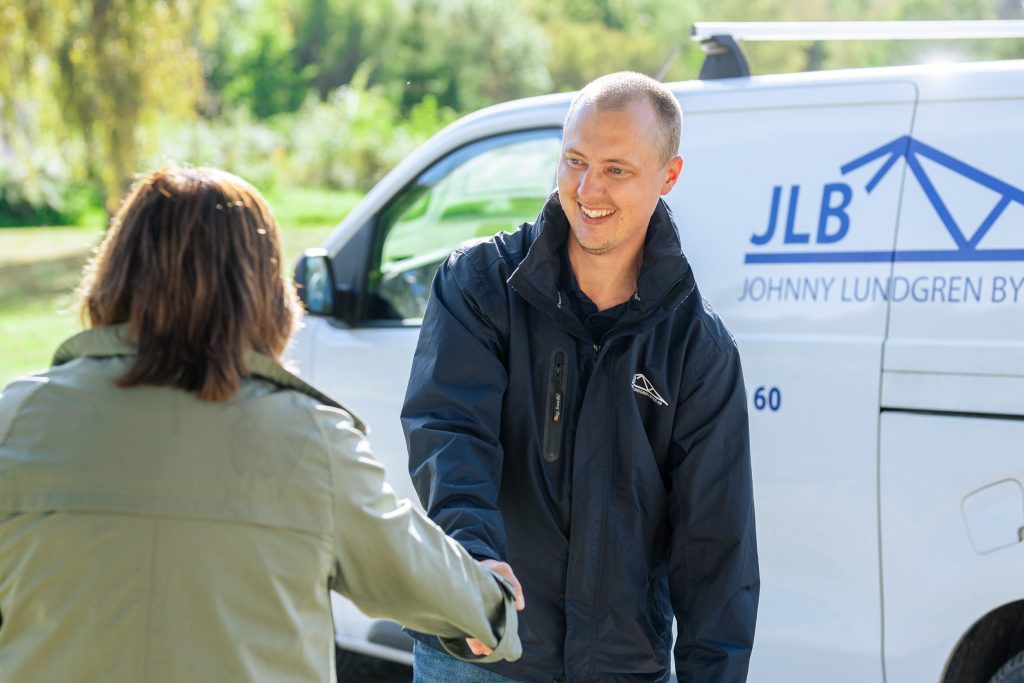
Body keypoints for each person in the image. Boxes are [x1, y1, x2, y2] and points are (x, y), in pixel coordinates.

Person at [0, 166, 521, 682]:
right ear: (264, 290)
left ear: (112, 272)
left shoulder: (17, 418)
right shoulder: (310, 440)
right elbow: (431, 584)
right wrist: (490, 605)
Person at [403, 72, 759, 682]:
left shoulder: (698, 349)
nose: (587, 189)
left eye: (617, 170)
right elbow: (451, 433)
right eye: (574, 160)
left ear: (668, 176)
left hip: (625, 669)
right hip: (483, 652)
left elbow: (716, 548)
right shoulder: (479, 286)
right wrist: (477, 558)